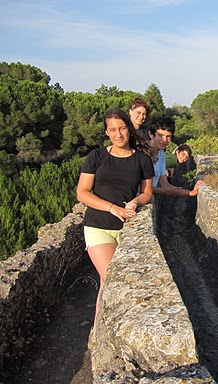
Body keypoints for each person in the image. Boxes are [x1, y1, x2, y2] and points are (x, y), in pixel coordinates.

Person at [76, 107, 154, 327]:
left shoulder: (141, 160)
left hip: (127, 229)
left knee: (105, 282)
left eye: (122, 128)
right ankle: (107, 332)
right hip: (98, 226)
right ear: (106, 132)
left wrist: (135, 202)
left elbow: (147, 192)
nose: (118, 134)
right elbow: (82, 193)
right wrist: (112, 208)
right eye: (113, 130)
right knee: (113, 280)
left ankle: (97, 331)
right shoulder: (97, 156)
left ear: (128, 129)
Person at [147, 115, 203, 198]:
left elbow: (165, 185)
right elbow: (145, 188)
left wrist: (190, 192)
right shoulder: (142, 152)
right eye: (160, 135)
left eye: (168, 136)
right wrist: (170, 192)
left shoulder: (161, 154)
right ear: (151, 134)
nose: (164, 140)